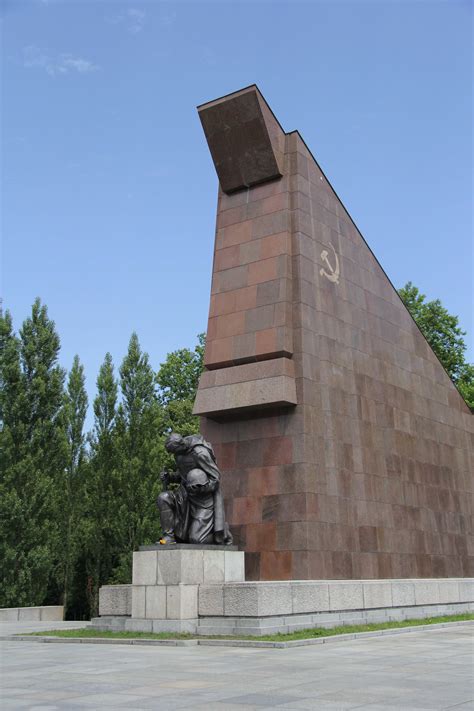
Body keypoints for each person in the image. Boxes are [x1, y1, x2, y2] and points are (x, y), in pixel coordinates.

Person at [157, 432, 233, 546]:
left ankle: (223, 533)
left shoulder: (200, 453)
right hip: (185, 496)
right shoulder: (179, 454)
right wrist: (170, 477)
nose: (174, 454)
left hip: (203, 500)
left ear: (181, 446)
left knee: (197, 541)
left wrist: (200, 488)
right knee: (164, 497)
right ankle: (168, 537)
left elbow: (215, 479)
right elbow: (182, 475)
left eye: (175, 451)